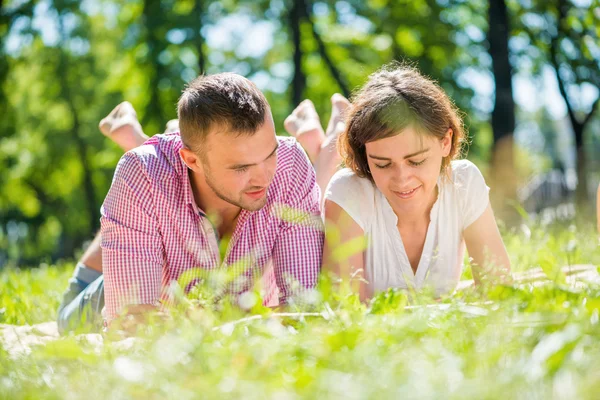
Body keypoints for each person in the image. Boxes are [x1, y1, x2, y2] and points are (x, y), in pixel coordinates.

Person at [57, 75, 349, 334]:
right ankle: (143, 143)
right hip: (101, 293)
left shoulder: (289, 161)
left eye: (269, 154)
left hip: (212, 303)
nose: (264, 177)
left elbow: (301, 307)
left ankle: (145, 137)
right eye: (241, 167)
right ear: (192, 160)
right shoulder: (141, 173)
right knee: (145, 187)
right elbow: (132, 327)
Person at [322, 64, 511, 301]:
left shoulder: (463, 183)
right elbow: (344, 314)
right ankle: (326, 142)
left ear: (445, 141)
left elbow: (499, 290)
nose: (402, 179)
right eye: (382, 164)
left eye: (416, 161)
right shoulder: (348, 192)